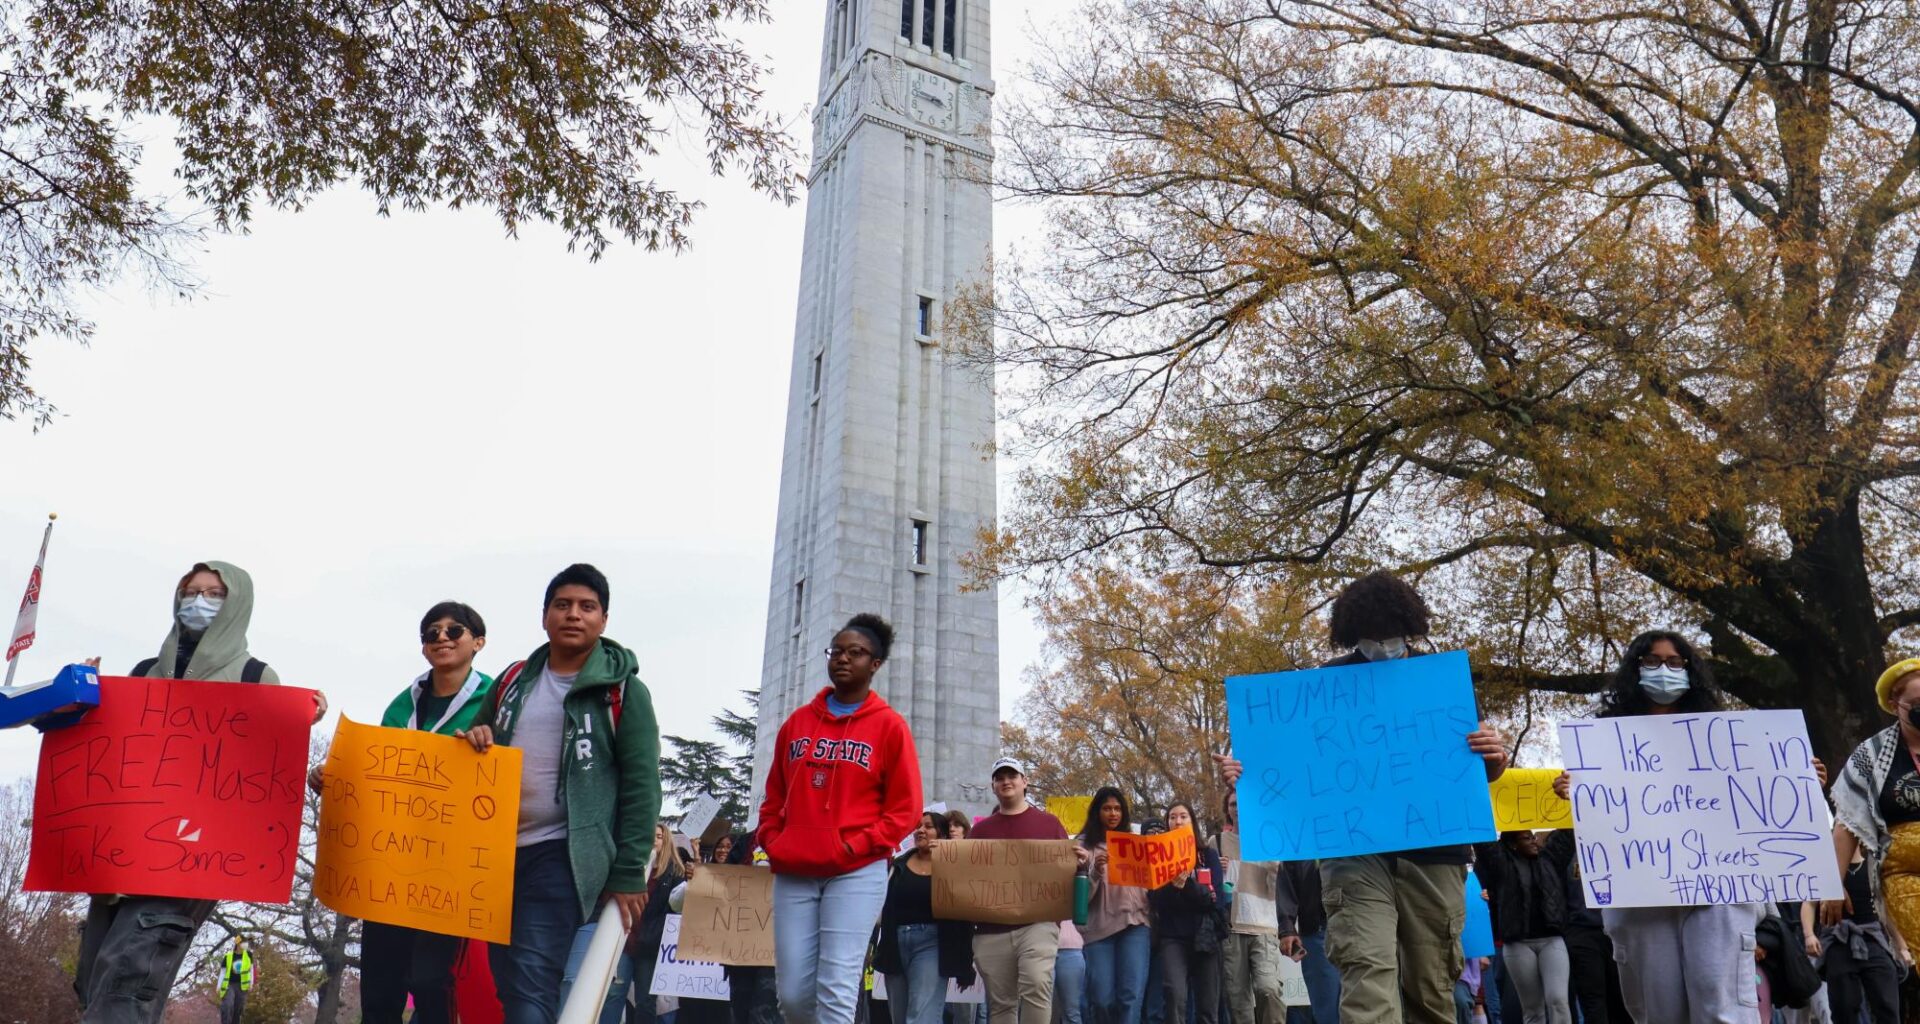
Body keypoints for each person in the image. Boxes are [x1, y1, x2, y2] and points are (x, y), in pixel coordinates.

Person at [1216, 571, 1509, 1024]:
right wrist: (1244, 776)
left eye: (1389, 636)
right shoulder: (1320, 690)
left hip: (1434, 856)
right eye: (1369, 638)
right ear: (1352, 634)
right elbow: (1285, 775)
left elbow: (1474, 772)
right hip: (1355, 859)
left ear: (1409, 629)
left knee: (1431, 992)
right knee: (1368, 979)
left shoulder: (1442, 684)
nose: (1381, 646)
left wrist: (1494, 759)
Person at [72, 561, 322, 1024]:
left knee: (127, 979)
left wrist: (297, 720)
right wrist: (84, 698)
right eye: (190, 591)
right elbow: (110, 757)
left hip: (189, 860)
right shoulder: (143, 673)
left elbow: (265, 772)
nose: (198, 601)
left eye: (213, 594)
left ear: (236, 605)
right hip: (121, 858)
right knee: (94, 985)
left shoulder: (255, 677)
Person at [459, 563, 663, 1024]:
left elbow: (642, 784)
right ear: (545, 615)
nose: (574, 615)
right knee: (509, 983)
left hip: (562, 856)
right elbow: (473, 740)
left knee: (533, 976)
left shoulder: (624, 693)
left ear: (603, 620)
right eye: (563, 605)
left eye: (587, 607)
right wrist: (474, 737)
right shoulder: (512, 682)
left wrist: (630, 870)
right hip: (494, 859)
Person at [1551, 631, 1771, 1024]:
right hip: (1641, 893)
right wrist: (1577, 789)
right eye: (1652, 661)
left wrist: (1795, 781)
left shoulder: (1726, 737)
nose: (1664, 670)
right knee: (1659, 1010)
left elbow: (1756, 798)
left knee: (1721, 1005)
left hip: (1714, 888)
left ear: (1689, 671)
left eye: (1674, 662)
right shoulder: (1602, 741)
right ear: (1635, 670)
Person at [757, 613, 924, 1024]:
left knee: (836, 988)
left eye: (856, 652)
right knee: (793, 996)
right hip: (795, 868)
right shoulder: (797, 723)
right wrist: (771, 838)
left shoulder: (889, 727)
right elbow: (773, 794)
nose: (843, 659)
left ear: (876, 664)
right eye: (836, 651)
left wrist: (855, 845)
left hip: (854, 871)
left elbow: (906, 809)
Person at [348, 601, 497, 1024]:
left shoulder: (495, 700)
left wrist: (490, 745)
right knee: (380, 983)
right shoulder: (401, 706)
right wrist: (337, 777)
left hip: (453, 871)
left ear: (478, 642)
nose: (442, 638)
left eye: (455, 631)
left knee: (432, 981)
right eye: (432, 633)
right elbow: (378, 776)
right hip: (392, 867)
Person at [969, 757, 1076, 1024]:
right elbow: (965, 876)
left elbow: (1067, 869)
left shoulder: (1049, 824)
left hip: (1037, 924)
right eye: (1000, 777)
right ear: (993, 786)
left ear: (1024, 782)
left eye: (1012, 776)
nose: (1006, 781)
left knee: (1037, 986)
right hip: (992, 929)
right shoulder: (980, 831)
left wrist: (1079, 860)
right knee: (1001, 1002)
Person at [878, 811, 978, 1024]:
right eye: (918, 826)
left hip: (932, 944)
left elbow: (964, 915)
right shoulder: (898, 865)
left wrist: (965, 963)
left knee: (922, 1017)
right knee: (900, 1017)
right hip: (895, 945)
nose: (920, 830)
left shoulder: (953, 867)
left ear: (941, 834)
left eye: (928, 826)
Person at [1471, 832, 1568, 1024]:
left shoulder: (1550, 860)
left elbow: (1567, 835)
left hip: (1552, 941)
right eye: (1526, 838)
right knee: (1532, 1008)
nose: (1533, 841)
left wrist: (1571, 802)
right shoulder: (1501, 866)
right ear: (1513, 845)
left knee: (1558, 999)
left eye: (1533, 837)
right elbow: (1484, 845)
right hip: (1518, 944)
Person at [1149, 802, 1228, 1024]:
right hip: (1173, 937)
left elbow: (1214, 901)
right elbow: (1156, 901)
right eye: (1172, 817)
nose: (1178, 821)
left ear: (1192, 822)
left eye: (1183, 816)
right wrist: (1174, 886)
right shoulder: (1157, 857)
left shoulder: (1207, 856)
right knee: (1175, 995)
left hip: (1206, 937)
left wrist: (1187, 886)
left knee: (1208, 1006)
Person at [1804, 847, 1901, 1022]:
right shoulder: (1825, 870)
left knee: (1887, 1003)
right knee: (1844, 1007)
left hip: (1872, 940)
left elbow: (1885, 912)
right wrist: (1809, 935)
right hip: (1838, 941)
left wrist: (1902, 947)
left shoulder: (1873, 867)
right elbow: (1809, 903)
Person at [1080, 788, 1151, 1024]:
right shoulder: (1083, 847)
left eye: (1118, 808)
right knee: (1101, 999)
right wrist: (1095, 872)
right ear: (1097, 811)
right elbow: (1080, 900)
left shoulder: (1136, 844)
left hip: (1136, 926)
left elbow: (1150, 886)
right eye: (1107, 808)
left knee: (1130, 997)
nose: (1113, 813)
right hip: (1099, 931)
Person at [1217, 789, 1287, 1024]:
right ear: (1227, 809)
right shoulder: (1216, 841)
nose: (1237, 808)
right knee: (1238, 1004)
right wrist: (1217, 870)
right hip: (1231, 929)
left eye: (1242, 803)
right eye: (1233, 804)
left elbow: (1281, 884)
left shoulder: (1270, 840)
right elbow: (1208, 886)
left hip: (1263, 927)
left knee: (1269, 990)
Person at [1540, 831, 1623, 1024]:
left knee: (1621, 998)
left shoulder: (1616, 840)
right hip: (1581, 931)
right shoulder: (1567, 847)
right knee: (1593, 999)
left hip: (1616, 932)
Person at [217, 938, 253, 1024]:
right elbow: (223, 972)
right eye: (243, 942)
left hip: (242, 986)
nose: (246, 944)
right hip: (229, 985)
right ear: (238, 944)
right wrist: (218, 986)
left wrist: (251, 983)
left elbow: (251, 970)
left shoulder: (248, 955)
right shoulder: (228, 956)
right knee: (228, 1005)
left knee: (238, 1009)